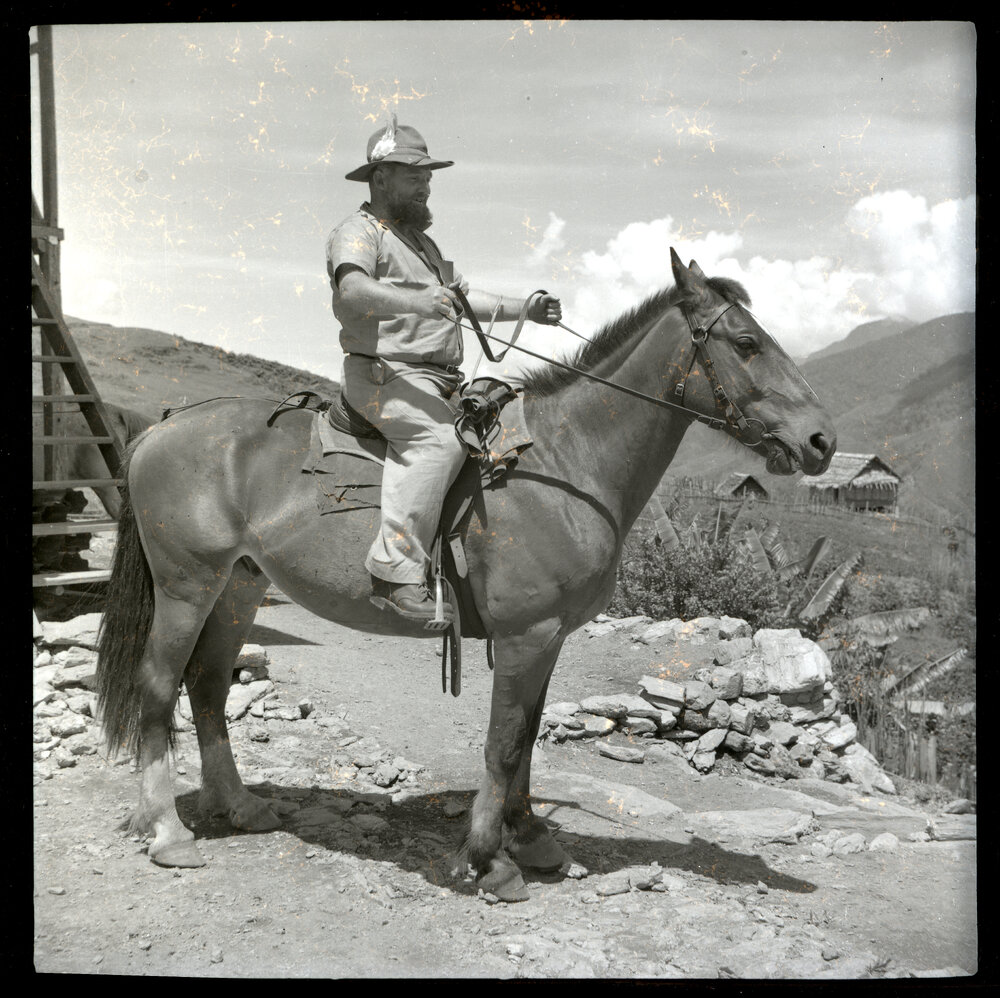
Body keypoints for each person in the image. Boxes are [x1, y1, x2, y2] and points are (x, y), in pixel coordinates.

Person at [326, 118, 562, 624]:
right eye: (414, 174)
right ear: (380, 178)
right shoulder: (358, 231)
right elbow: (352, 291)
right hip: (385, 376)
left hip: (435, 380)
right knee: (439, 441)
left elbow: (463, 300)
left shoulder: (423, 247)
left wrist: (528, 307)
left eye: (428, 174)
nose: (426, 182)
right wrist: (419, 301)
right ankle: (395, 574)